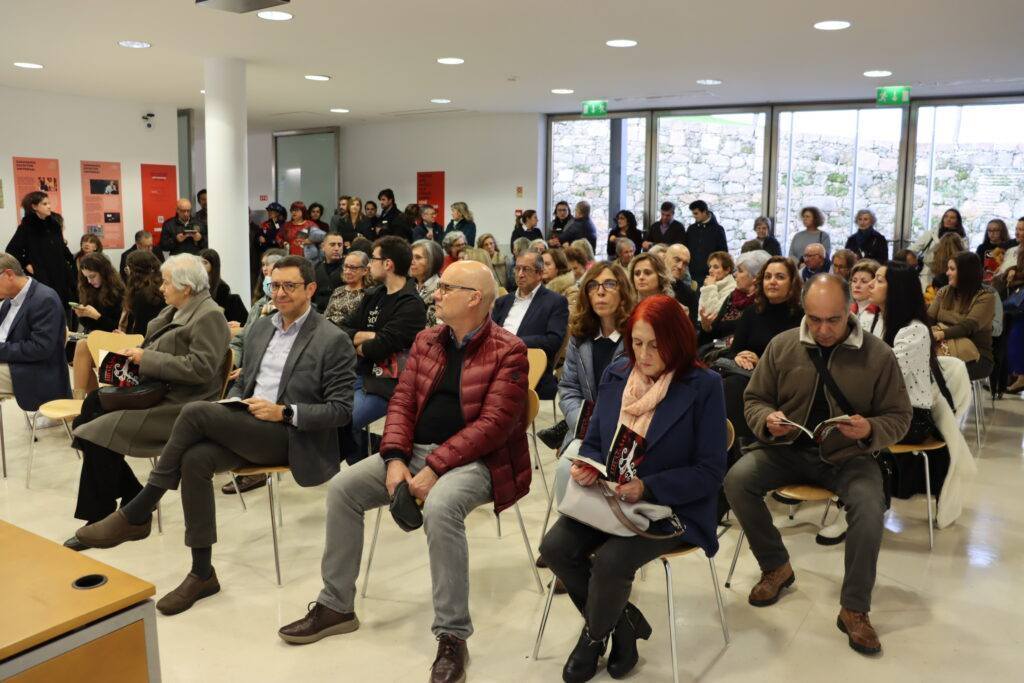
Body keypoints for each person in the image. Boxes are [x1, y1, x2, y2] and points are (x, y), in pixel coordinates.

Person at [278, 261, 529, 683]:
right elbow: (402, 402)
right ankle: (336, 605)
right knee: (343, 489)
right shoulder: (428, 340)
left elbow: (494, 426)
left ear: (474, 299)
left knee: (442, 507)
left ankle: (452, 635)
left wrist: (434, 468)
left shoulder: (509, 350)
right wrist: (394, 457)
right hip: (414, 453)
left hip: (477, 461)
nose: (436, 294)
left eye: (446, 287)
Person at [76, 256, 357, 616]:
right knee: (195, 459)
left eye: (290, 286)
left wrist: (284, 412)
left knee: (194, 411)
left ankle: (140, 509)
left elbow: (341, 410)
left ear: (311, 289)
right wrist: (235, 400)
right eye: (274, 285)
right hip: (249, 423)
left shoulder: (332, 339)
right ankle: (202, 573)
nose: (280, 293)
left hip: (291, 434)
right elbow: (243, 381)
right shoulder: (261, 328)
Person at [541, 294, 727, 682]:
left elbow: (709, 471)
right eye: (637, 343)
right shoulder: (618, 373)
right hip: (611, 498)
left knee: (611, 562)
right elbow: (595, 439)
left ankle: (593, 639)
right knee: (555, 548)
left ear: (677, 341)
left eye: (655, 345)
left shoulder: (703, 385)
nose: (643, 355)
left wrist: (648, 487)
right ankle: (624, 625)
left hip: (670, 506)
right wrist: (588, 464)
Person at [725, 274, 912, 655]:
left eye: (833, 320)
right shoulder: (782, 345)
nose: (823, 330)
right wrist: (767, 420)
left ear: (849, 311)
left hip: (849, 456)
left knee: (869, 507)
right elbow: (754, 399)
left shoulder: (878, 354)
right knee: (736, 480)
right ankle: (776, 566)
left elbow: (899, 416)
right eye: (814, 319)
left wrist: (869, 429)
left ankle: (855, 607)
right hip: (787, 448)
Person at [68, 254, 230, 550]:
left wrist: (147, 358)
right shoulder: (176, 309)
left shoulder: (210, 316)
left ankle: (107, 513)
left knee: (92, 432)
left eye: (166, 283)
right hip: (156, 389)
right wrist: (135, 356)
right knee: (90, 410)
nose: (161, 287)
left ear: (186, 287)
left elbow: (202, 368)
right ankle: (130, 497)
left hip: (177, 405)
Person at [546, 261, 635, 490]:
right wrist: (586, 427)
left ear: (623, 292)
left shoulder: (636, 337)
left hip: (626, 435)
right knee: (566, 470)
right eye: (593, 286)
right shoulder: (580, 336)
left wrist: (604, 431)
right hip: (584, 430)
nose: (600, 292)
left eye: (609, 284)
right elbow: (569, 388)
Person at [340, 237, 427, 463]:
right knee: (327, 417)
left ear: (388, 264)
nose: (369, 265)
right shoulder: (374, 295)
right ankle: (376, 456)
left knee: (342, 422)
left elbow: (379, 348)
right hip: (358, 375)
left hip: (389, 385)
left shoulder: (411, 304)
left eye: (373, 259)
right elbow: (341, 331)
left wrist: (363, 341)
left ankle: (380, 459)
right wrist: (371, 336)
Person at [0, 252, 71, 419]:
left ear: (9, 274)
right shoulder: (9, 299)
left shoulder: (44, 299)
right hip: (13, 363)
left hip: (37, 370)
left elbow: (40, 348)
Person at [493, 251, 569, 400]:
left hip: (530, 368)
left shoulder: (555, 302)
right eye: (517, 269)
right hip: (496, 364)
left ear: (539, 274)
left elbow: (553, 341)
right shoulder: (503, 302)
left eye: (526, 269)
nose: (520, 274)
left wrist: (513, 342)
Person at [928, 251, 996, 381]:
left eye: (952, 269)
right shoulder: (944, 291)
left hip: (977, 356)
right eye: (948, 268)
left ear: (966, 272)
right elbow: (929, 319)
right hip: (942, 348)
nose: (947, 273)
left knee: (936, 372)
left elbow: (968, 326)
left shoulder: (986, 297)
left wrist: (940, 334)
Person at [6, 192, 76, 308]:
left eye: (49, 203)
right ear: (34, 206)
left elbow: (62, 247)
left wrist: (71, 261)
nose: (49, 206)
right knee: (47, 306)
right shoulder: (27, 227)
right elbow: (12, 250)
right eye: (44, 204)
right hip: (43, 274)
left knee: (63, 306)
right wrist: (26, 264)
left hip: (60, 273)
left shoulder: (54, 225)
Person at [700, 250, 770, 346]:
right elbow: (713, 331)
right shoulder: (733, 296)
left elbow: (753, 342)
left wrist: (719, 344)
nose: (735, 274)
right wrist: (706, 327)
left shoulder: (760, 304)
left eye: (740, 271)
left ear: (755, 277)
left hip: (737, 352)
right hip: (718, 347)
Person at [910, 208, 967, 286]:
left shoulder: (963, 239)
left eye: (952, 217)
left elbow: (964, 258)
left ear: (958, 221)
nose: (948, 219)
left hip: (951, 275)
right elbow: (913, 249)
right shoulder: (932, 234)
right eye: (946, 216)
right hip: (929, 274)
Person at [71, 253, 123, 333]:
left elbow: (117, 327)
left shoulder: (118, 292)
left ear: (104, 272)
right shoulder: (87, 288)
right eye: (86, 277)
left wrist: (97, 316)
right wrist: (81, 315)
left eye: (92, 276)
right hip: (92, 335)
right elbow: (88, 325)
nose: (89, 281)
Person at [121, 250, 166, 338]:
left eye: (128, 269)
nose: (127, 274)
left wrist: (126, 338)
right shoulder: (160, 287)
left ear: (135, 271)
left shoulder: (141, 295)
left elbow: (139, 330)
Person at [323, 251, 372, 328]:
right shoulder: (338, 290)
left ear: (365, 271)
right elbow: (325, 315)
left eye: (353, 268)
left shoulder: (368, 294)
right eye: (345, 266)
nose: (347, 272)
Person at [198, 249, 247, 324]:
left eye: (205, 262)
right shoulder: (197, 285)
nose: (201, 266)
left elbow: (219, 313)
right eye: (199, 262)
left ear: (213, 265)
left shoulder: (222, 287)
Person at [685, 200, 729, 285]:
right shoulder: (691, 229)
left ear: (704, 212)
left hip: (711, 275)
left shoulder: (718, 230)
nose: (694, 216)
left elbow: (723, 253)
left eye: (696, 213)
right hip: (692, 275)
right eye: (693, 213)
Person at [411, 239, 444, 326]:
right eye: (410, 257)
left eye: (418, 257)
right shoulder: (407, 284)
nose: (411, 262)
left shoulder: (442, 288)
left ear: (432, 261)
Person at [698, 251, 736, 321]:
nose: (710, 270)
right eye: (710, 267)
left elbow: (711, 316)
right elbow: (701, 313)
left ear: (727, 270)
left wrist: (710, 287)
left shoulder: (732, 290)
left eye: (715, 267)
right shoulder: (709, 285)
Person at [313, 233, 346, 312]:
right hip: (318, 312)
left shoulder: (348, 268)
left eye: (339, 245)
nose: (336, 248)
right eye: (332, 245)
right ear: (323, 247)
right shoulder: (315, 268)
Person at [976, 219, 1011, 283]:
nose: (992, 233)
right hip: (986, 281)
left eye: (995, 230)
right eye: (989, 230)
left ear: (1002, 231)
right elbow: (977, 267)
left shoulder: (1009, 246)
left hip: (1004, 280)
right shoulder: (981, 248)